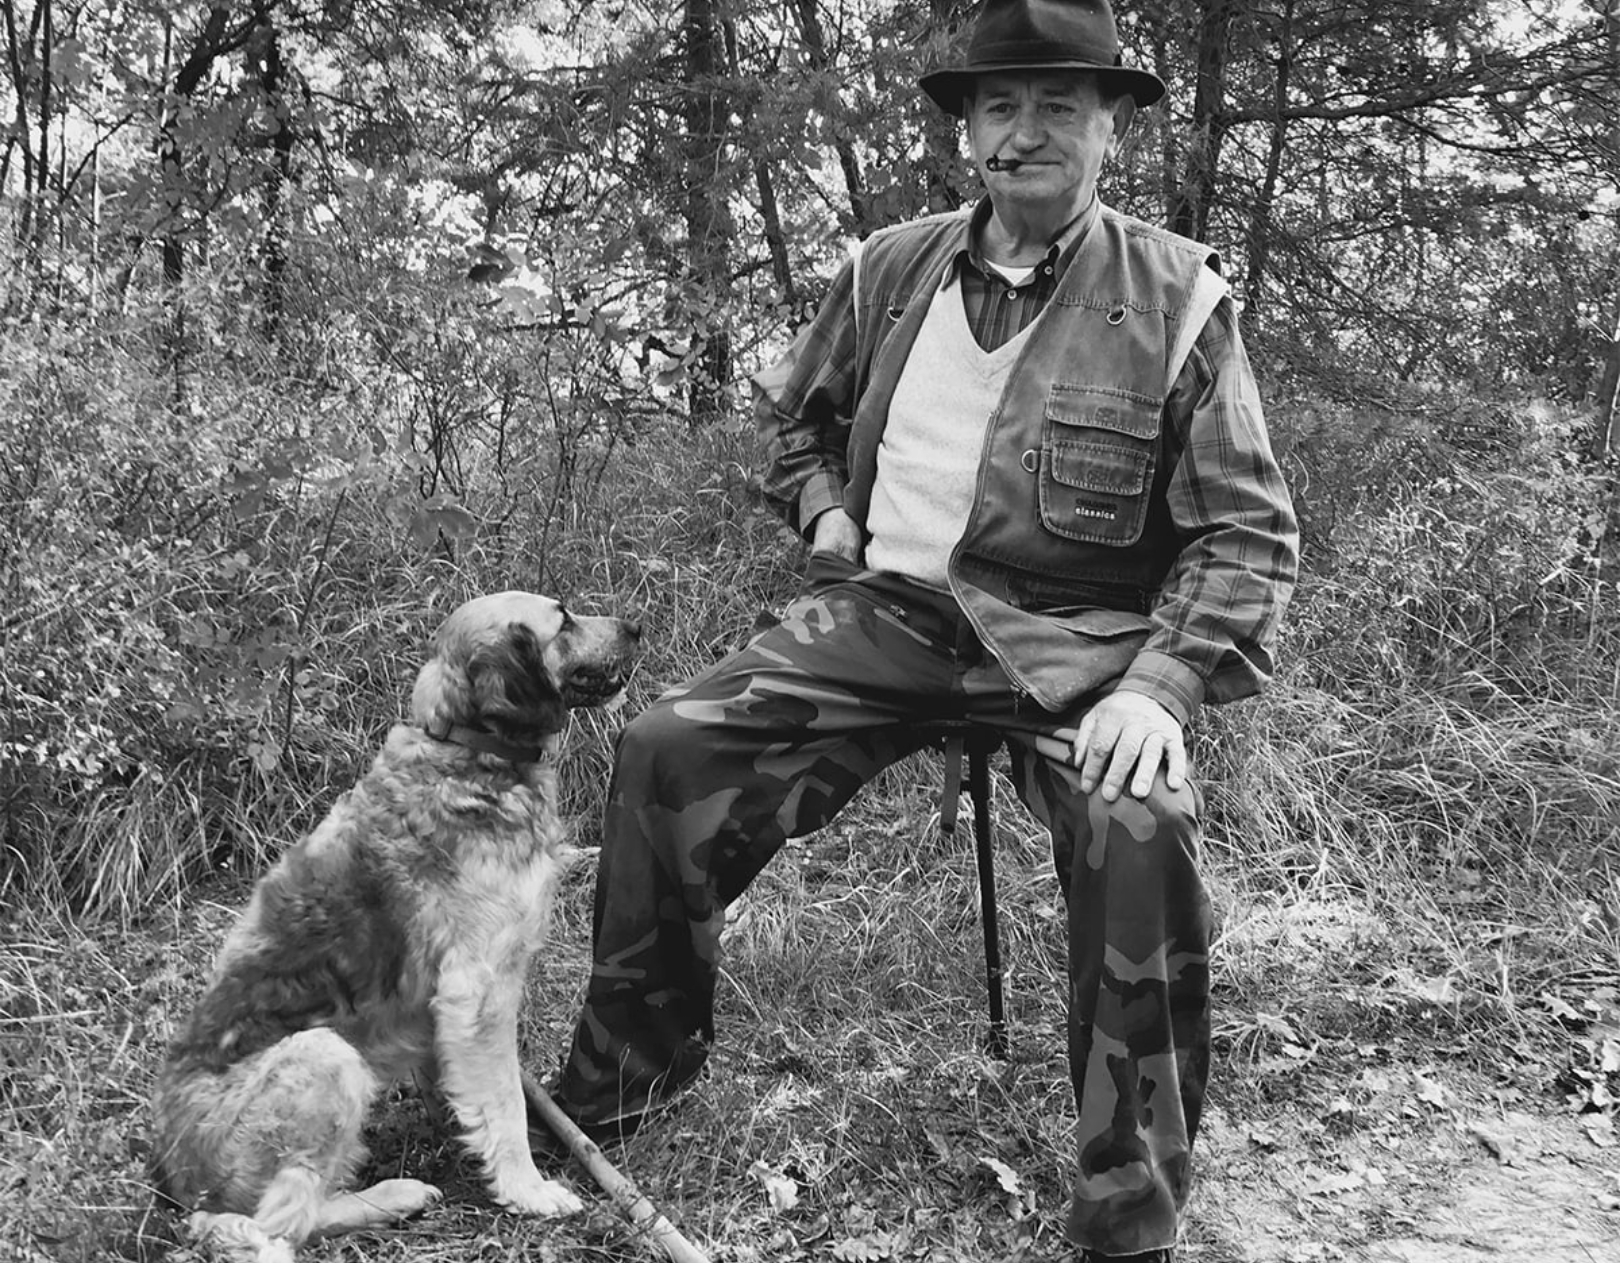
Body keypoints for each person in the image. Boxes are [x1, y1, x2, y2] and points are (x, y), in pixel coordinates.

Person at [548, 1, 1298, 1259]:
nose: (1025, 134)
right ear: (966, 131)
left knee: (1140, 823)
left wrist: (1156, 691)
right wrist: (825, 506)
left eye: (1059, 105)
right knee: (669, 745)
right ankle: (625, 1082)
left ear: (1110, 125)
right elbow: (794, 423)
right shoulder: (888, 267)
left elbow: (1246, 536)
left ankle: (1130, 1214)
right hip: (892, 617)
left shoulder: (1177, 296)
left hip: (1078, 652)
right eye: (999, 106)